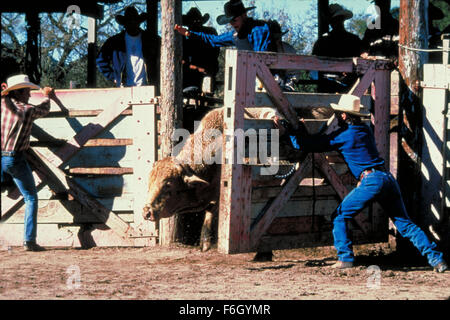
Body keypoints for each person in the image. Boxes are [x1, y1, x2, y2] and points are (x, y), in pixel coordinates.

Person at [276, 94, 448, 273]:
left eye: (338, 114)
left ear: (343, 116)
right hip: (387, 178)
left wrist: (291, 131)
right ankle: (437, 260)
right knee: (406, 224)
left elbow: (309, 145)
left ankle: (345, 259)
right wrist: (303, 132)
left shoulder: (344, 136)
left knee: (340, 216)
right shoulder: (365, 130)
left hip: (371, 181)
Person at [1, 74, 58, 252]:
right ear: (18, 93)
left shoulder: (2, 106)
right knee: (31, 198)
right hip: (14, 159)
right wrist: (48, 96)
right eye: (26, 92)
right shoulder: (27, 110)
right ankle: (29, 240)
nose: (29, 95)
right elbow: (45, 109)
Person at [175, 0, 275, 53]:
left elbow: (261, 57)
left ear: (244, 15)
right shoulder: (235, 35)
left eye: (234, 20)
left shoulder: (259, 30)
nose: (232, 24)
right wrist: (189, 33)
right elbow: (214, 40)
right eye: (230, 21)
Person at [96, 6, 161, 88]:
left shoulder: (151, 39)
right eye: (129, 21)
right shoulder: (115, 41)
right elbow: (100, 60)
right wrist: (114, 76)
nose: (132, 23)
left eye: (135, 21)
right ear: (125, 24)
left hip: (148, 88)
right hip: (124, 88)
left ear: (139, 22)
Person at [312, 4, 365, 93]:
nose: (337, 22)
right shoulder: (322, 42)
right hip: (327, 87)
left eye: (339, 19)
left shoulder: (354, 40)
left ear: (343, 19)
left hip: (351, 86)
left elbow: (363, 61)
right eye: (334, 19)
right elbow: (313, 69)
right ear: (330, 22)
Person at [181, 7, 220, 91]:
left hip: (207, 71)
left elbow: (215, 55)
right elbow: (182, 60)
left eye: (197, 21)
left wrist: (204, 69)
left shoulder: (209, 33)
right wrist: (195, 68)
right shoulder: (184, 37)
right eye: (192, 22)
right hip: (191, 73)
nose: (195, 24)